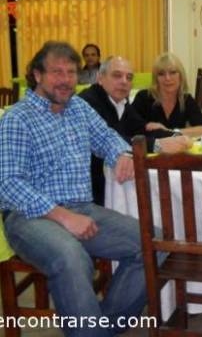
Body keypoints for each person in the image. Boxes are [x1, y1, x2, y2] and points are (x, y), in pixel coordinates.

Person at [0, 41, 146, 336]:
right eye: (56, 72)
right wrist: (64, 217)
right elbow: (8, 184)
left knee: (152, 242)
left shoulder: (79, 107)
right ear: (37, 75)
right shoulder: (17, 117)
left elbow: (107, 137)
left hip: (82, 209)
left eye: (70, 72)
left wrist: (122, 154)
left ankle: (100, 326)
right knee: (71, 257)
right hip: (29, 217)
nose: (66, 79)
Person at [80, 55, 192, 205]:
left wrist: (174, 136)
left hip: (112, 179)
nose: (124, 81)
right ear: (100, 78)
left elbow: (142, 128)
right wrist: (157, 144)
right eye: (117, 75)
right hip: (92, 189)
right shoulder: (88, 102)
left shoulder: (121, 103)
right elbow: (112, 138)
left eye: (129, 77)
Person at [132, 52, 202, 138]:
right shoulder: (143, 97)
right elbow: (131, 128)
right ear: (156, 79)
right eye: (161, 74)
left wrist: (169, 131)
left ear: (181, 76)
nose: (168, 78)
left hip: (178, 149)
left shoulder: (186, 99)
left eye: (173, 72)